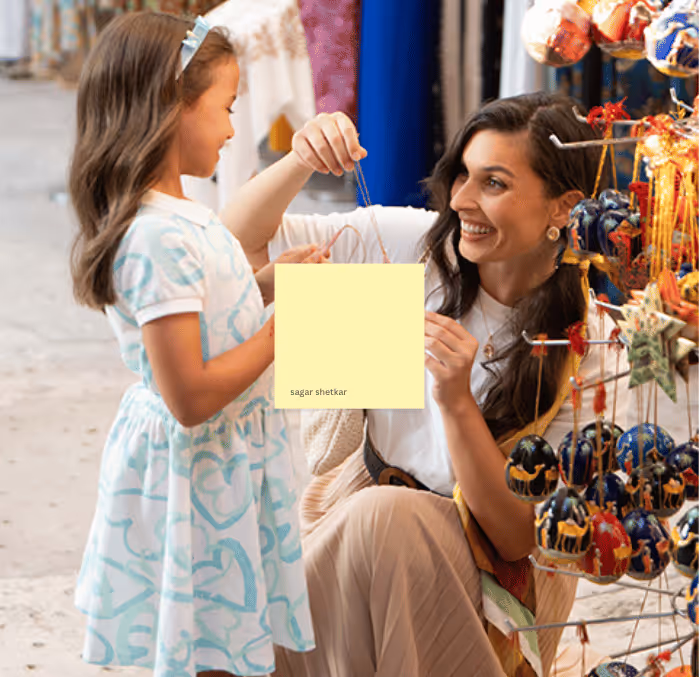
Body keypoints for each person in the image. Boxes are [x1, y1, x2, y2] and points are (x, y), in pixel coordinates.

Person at [225, 92, 630, 677]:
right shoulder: (411, 250)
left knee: (388, 518)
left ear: (564, 208)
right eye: (462, 175)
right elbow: (234, 253)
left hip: (488, 576)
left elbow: (517, 537)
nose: (462, 200)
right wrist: (300, 161)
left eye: (493, 183)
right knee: (241, 623)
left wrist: (455, 402)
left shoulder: (587, 345)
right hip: (354, 521)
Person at [68, 12, 320, 677]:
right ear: (171, 107)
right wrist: (280, 331)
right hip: (196, 477)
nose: (235, 128)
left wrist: (268, 284)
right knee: (206, 642)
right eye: (226, 107)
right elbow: (189, 393)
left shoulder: (180, 218)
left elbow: (211, 317)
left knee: (220, 640)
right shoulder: (156, 237)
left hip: (219, 470)